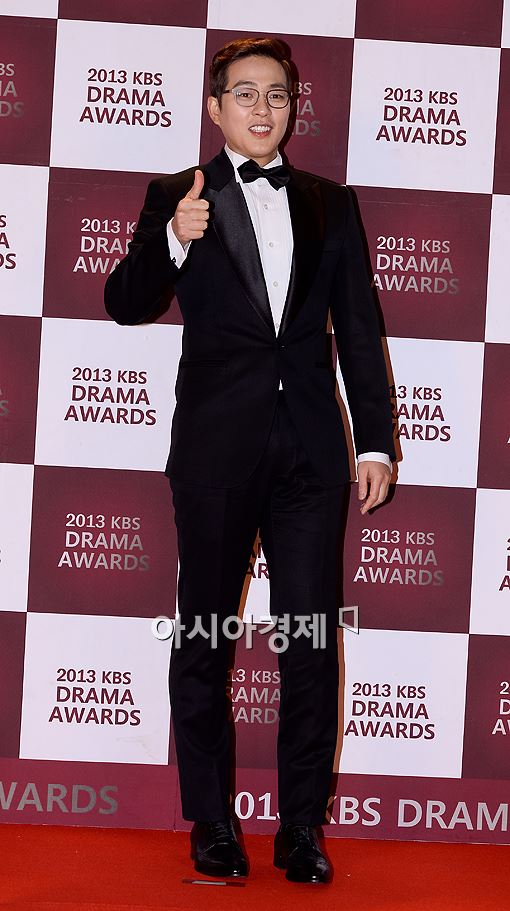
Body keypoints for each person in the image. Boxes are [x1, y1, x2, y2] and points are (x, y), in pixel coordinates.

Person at [105, 36, 395, 885]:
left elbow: (361, 327)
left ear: (293, 105)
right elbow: (125, 304)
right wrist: (172, 240)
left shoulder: (332, 203)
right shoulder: (177, 195)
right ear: (215, 106)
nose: (263, 108)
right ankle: (211, 823)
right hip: (214, 452)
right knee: (204, 635)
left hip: (311, 454)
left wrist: (375, 440)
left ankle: (301, 827)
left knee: (310, 643)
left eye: (277, 94)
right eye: (245, 93)